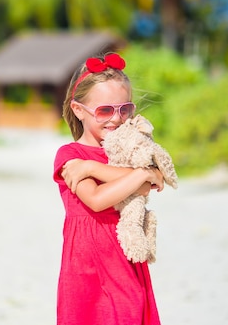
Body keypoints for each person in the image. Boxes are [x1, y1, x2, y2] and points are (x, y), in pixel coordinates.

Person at [53, 52, 163, 325]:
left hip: (123, 263)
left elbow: (151, 183)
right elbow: (98, 199)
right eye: (104, 110)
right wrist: (142, 176)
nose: (116, 118)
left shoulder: (128, 153)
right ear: (79, 110)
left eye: (124, 109)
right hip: (85, 267)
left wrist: (92, 169)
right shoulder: (69, 156)